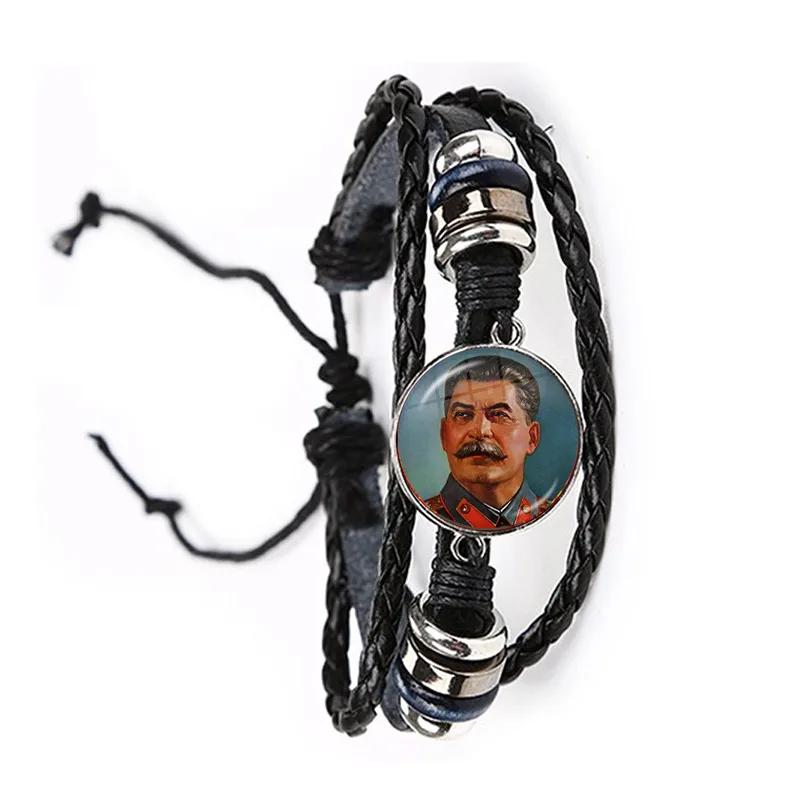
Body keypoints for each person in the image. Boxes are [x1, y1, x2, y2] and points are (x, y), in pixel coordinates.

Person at [424, 355, 547, 530]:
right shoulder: (422, 521)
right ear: (444, 435)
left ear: (532, 438)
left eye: (499, 414)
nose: (480, 431)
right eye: (463, 415)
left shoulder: (557, 520)